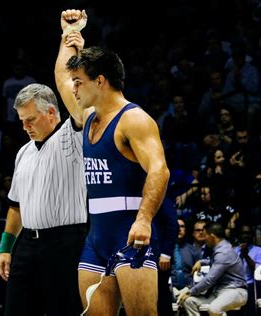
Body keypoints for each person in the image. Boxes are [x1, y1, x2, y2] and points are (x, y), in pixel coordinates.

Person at [55, 10, 170, 316]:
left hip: (131, 232)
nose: (74, 88)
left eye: (80, 82)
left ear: (101, 81)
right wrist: (70, 35)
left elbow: (160, 169)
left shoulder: (134, 120)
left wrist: (145, 219)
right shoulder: (89, 117)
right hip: (97, 238)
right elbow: (61, 78)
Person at [0, 83, 88, 316]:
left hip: (65, 242)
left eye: (30, 120)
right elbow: (15, 207)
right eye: (21, 121)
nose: (25, 127)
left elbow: (79, 105)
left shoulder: (71, 137)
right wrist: (5, 249)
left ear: (50, 113)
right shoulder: (23, 152)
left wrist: (73, 54)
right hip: (27, 243)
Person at [178, 222, 248, 316]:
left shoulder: (224, 252)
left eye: (205, 235)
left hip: (236, 291)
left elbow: (209, 280)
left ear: (212, 236)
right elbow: (216, 262)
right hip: (219, 292)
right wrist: (202, 262)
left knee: (214, 309)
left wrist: (190, 292)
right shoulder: (221, 249)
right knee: (189, 302)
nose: (204, 238)